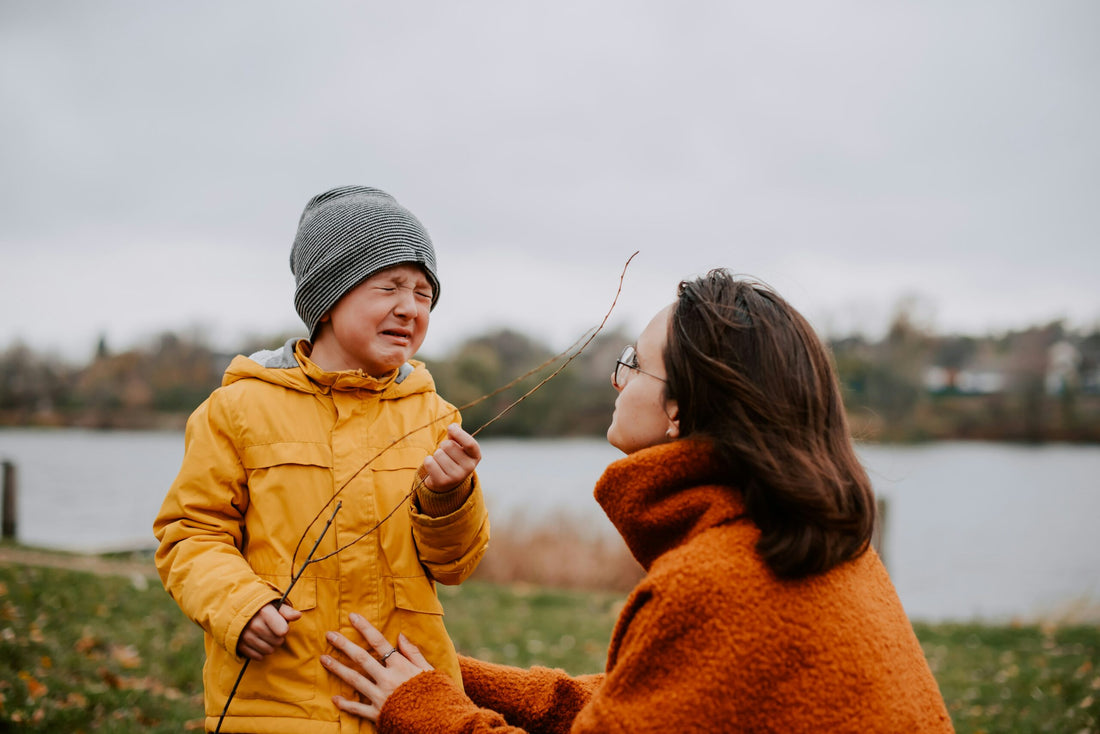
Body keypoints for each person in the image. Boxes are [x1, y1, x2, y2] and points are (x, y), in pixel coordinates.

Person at [317, 269, 955, 732]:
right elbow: (646, 703)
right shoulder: (818, 545)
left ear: (679, 407)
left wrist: (428, 710)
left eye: (634, 363)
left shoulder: (716, 585)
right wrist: (452, 674)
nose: (619, 382)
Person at [153, 185, 491, 733]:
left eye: (424, 294)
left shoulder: (435, 416)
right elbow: (190, 534)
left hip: (404, 702)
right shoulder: (238, 408)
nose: (410, 307)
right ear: (330, 297)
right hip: (277, 705)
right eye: (389, 287)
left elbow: (455, 566)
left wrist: (449, 498)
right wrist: (239, 607)